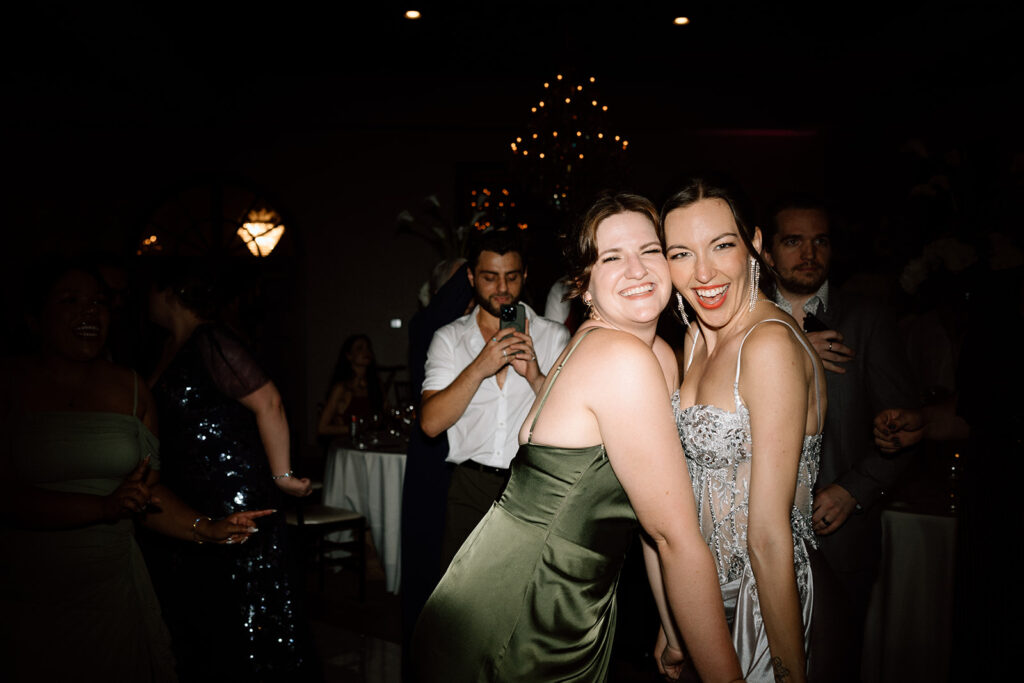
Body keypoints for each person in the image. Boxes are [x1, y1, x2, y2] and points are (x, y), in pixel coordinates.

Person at [413, 193, 743, 683]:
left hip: (564, 597)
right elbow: (674, 537)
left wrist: (674, 627)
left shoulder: (646, 353)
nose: (637, 270)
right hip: (525, 608)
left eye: (650, 251)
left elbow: (652, 522)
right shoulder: (621, 358)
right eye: (612, 257)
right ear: (583, 284)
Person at [0, 262, 269, 682]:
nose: (90, 313)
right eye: (71, 301)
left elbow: (148, 493)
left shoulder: (131, 388)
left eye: (98, 303)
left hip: (111, 591)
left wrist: (208, 527)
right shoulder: (8, 384)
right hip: (24, 586)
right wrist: (102, 507)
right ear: (33, 317)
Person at [663, 179, 826, 682]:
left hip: (759, 600)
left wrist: (789, 674)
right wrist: (674, 621)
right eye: (681, 253)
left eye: (722, 245)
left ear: (754, 243)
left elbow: (769, 537)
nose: (703, 273)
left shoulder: (769, 345)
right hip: (699, 598)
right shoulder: (695, 337)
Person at [763, 196, 918, 680]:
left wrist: (855, 489)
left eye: (820, 241)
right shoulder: (738, 322)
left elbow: (905, 427)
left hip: (840, 542)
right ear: (767, 253)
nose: (809, 253)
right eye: (793, 241)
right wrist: (787, 347)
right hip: (748, 538)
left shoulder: (867, 319)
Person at [142, 258, 315, 681]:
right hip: (190, 493)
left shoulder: (212, 338)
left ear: (170, 292)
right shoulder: (167, 347)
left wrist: (282, 476)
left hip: (234, 492)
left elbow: (268, 401)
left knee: (249, 619)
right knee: (200, 616)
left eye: (149, 290)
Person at [419, 230, 570, 571]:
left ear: (525, 276)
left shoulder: (554, 335)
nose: (502, 288)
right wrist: (479, 368)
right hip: (469, 487)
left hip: (534, 485)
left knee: (524, 601)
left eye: (511, 277)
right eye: (490, 277)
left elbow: (571, 422)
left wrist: (533, 374)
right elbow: (430, 424)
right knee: (461, 608)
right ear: (471, 277)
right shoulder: (449, 338)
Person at [317, 333, 384, 439]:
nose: (365, 351)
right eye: (359, 348)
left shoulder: (375, 386)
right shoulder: (342, 388)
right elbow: (322, 428)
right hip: (349, 445)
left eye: (368, 348)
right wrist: (354, 428)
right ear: (349, 355)